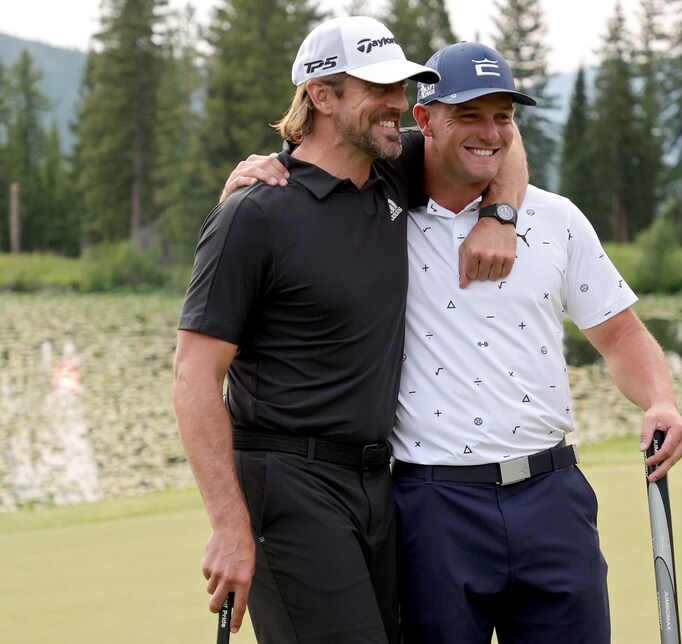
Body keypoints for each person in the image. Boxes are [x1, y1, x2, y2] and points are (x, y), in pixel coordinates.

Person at [226, 41, 682, 643]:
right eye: (468, 115)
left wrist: (660, 398)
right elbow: (311, 203)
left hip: (552, 496)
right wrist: (257, 184)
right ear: (423, 120)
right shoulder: (379, 214)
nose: (490, 133)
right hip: (431, 506)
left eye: (503, 116)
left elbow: (621, 333)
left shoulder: (555, 220)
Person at [172, 18, 524, 644]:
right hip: (288, 484)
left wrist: (500, 214)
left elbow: (498, 139)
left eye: (403, 87)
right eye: (379, 88)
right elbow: (194, 377)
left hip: (376, 485)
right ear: (322, 96)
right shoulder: (253, 214)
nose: (398, 104)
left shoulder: (391, 173)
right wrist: (228, 525)